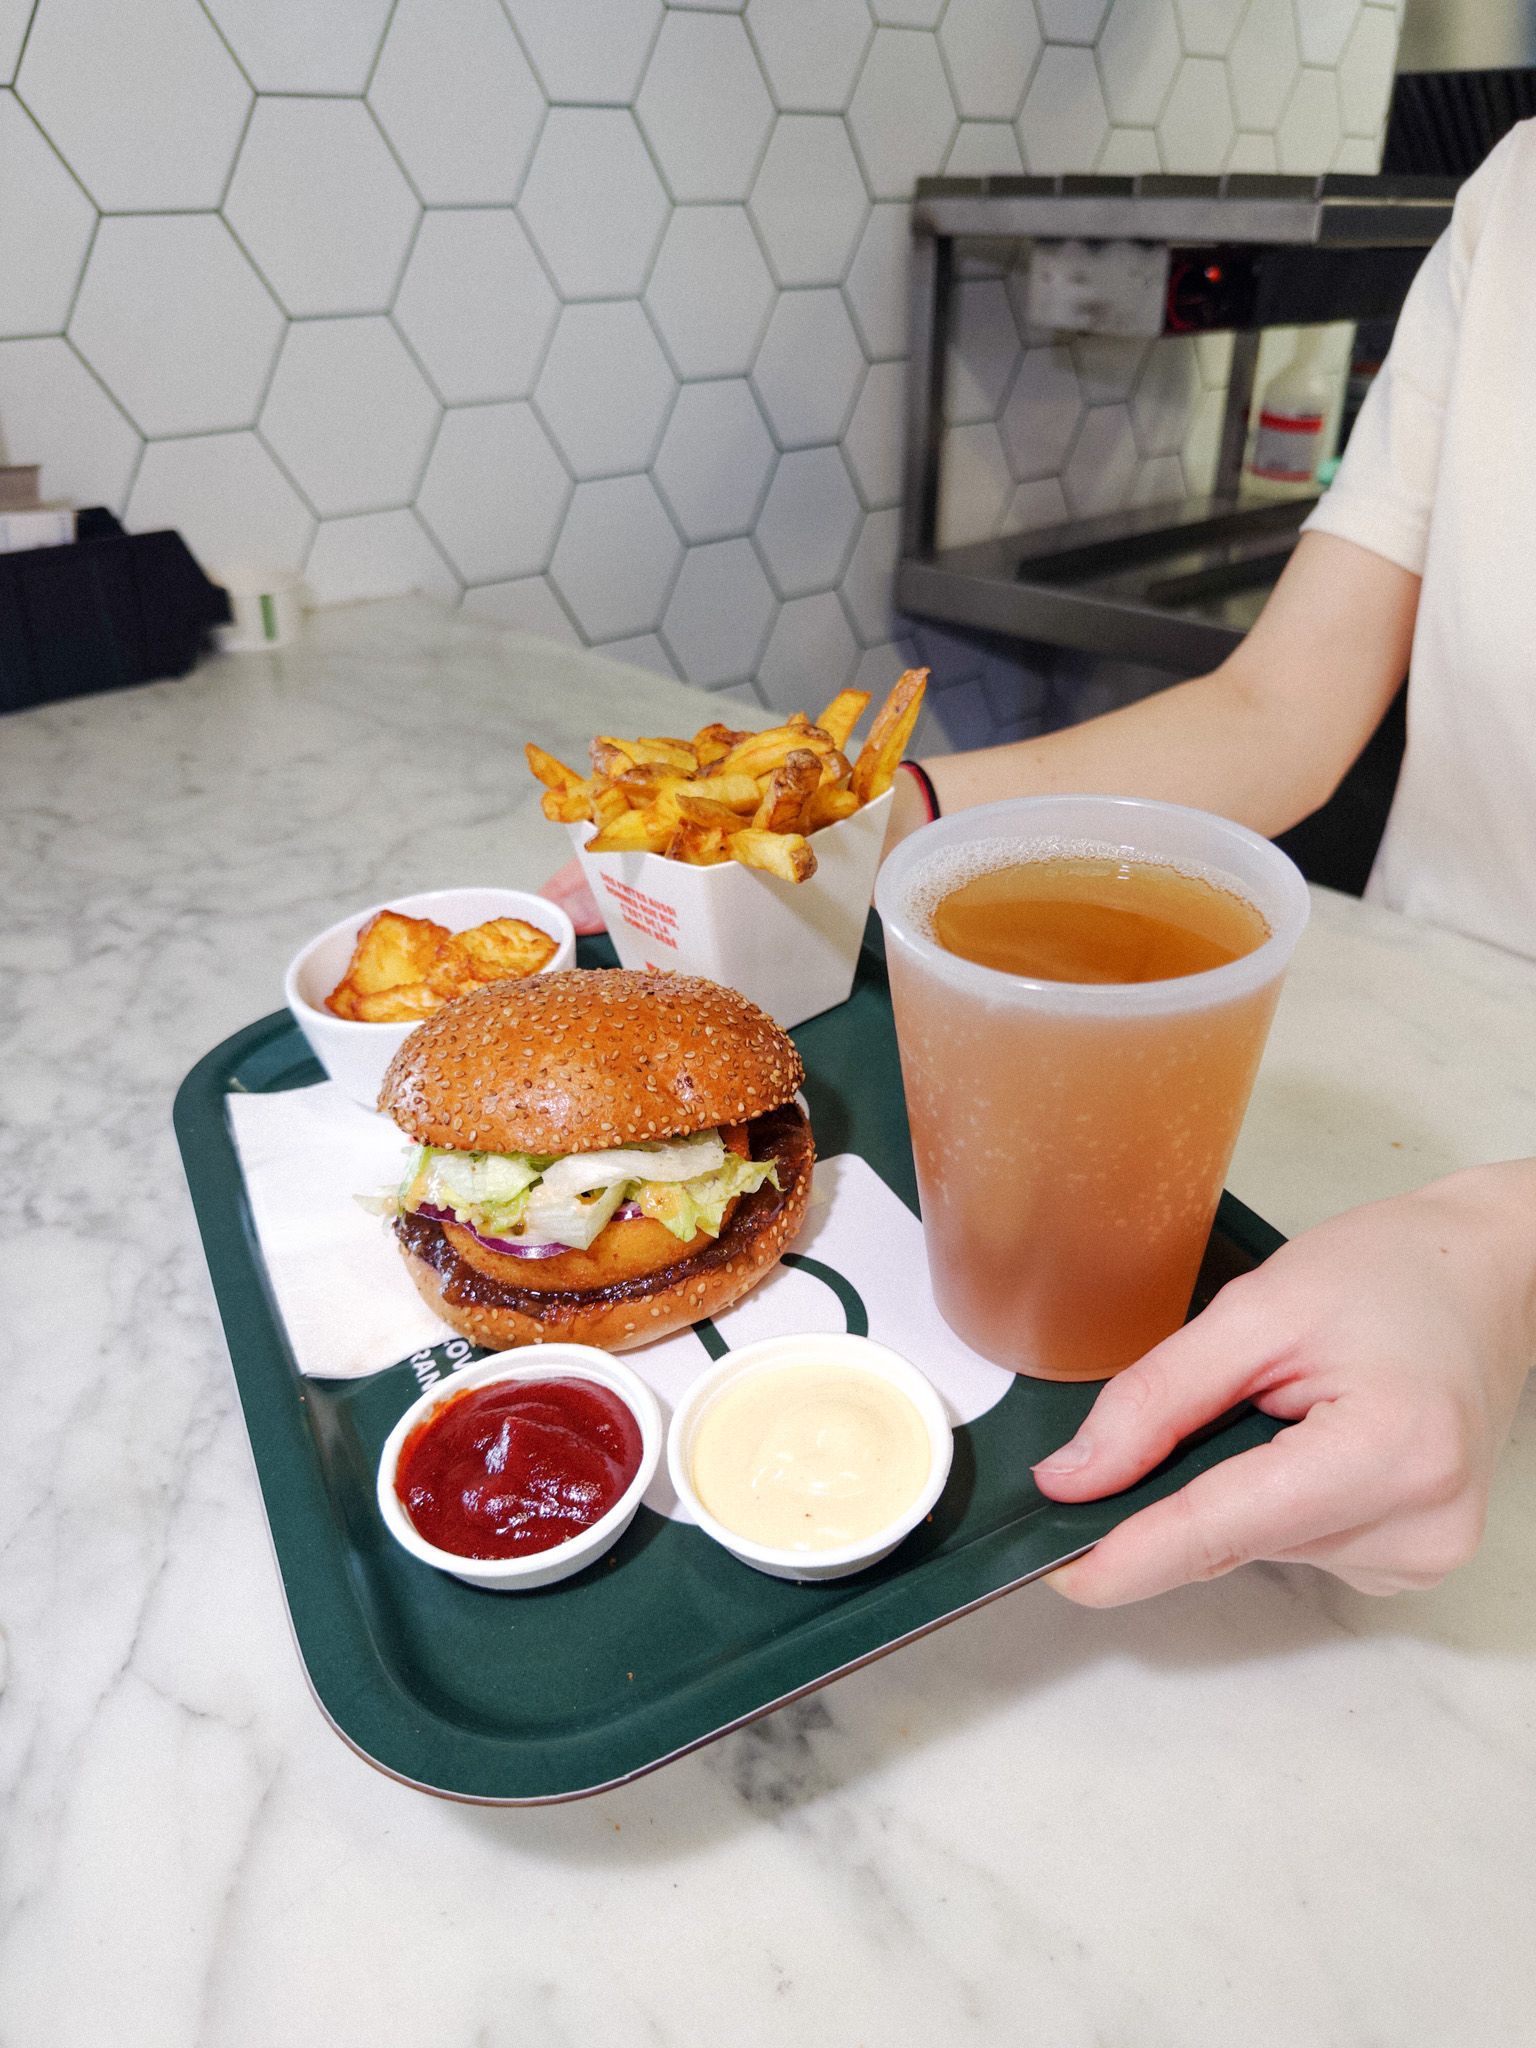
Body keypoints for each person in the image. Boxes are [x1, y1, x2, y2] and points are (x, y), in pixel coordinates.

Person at [544, 123, 1536, 1607]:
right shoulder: (1515, 193)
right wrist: (884, 823)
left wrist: (1504, 1238)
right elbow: (1281, 709)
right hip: (1395, 1105)